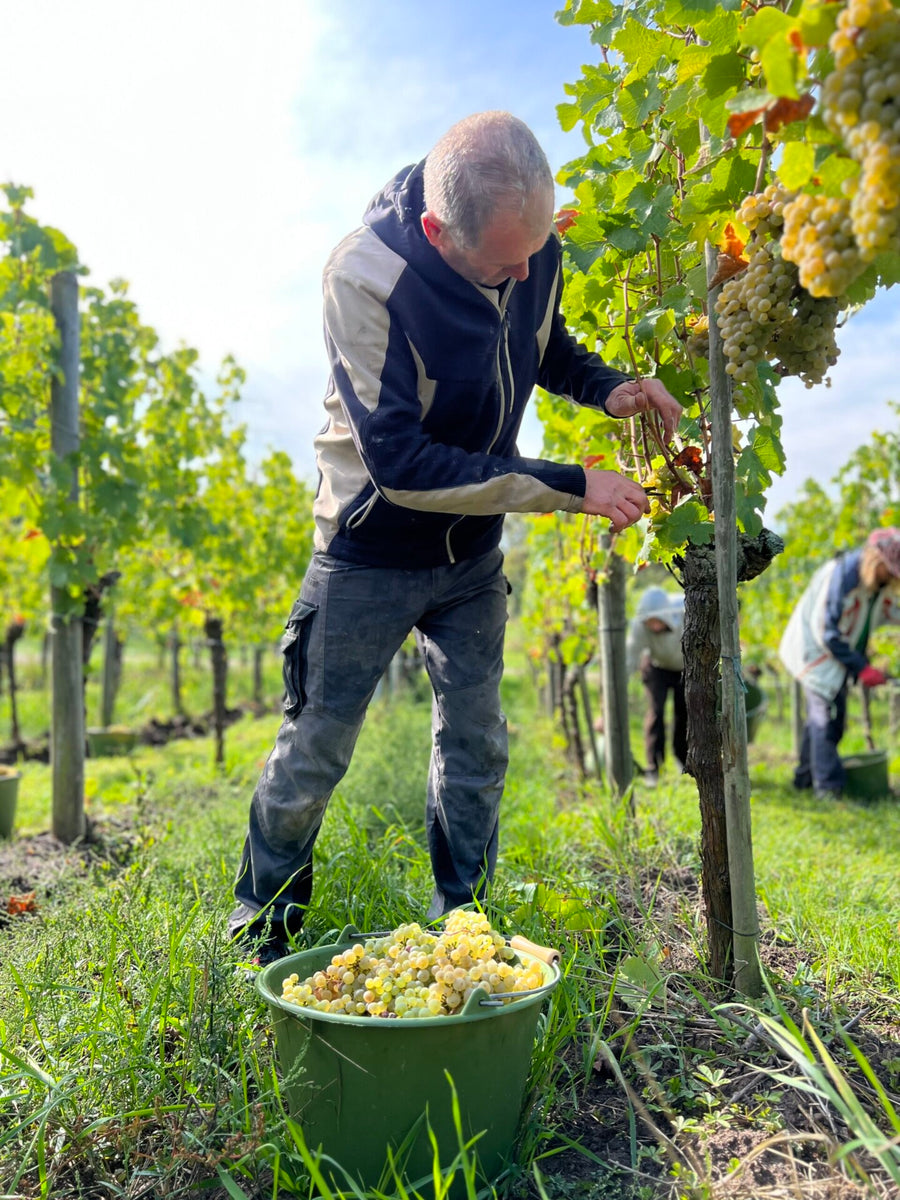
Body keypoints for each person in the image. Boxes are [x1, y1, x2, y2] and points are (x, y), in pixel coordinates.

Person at [228, 111, 682, 961]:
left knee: (476, 744)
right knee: (316, 746)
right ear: (439, 232)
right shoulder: (364, 277)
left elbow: (540, 344)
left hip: (469, 557)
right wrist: (570, 487)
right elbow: (401, 464)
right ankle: (263, 920)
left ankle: (464, 926)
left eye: (534, 254)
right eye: (505, 263)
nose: (526, 270)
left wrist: (607, 387)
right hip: (369, 549)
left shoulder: (528, 240)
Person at [778, 528, 900, 799]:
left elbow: (889, 611)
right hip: (815, 651)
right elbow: (827, 632)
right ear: (876, 560)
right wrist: (861, 667)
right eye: (890, 570)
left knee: (825, 718)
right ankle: (828, 790)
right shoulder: (842, 577)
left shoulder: (874, 584)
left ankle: (804, 779)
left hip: (835, 655)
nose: (892, 577)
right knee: (826, 719)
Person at [625, 586, 686, 784]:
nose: (653, 625)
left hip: (685, 668)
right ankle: (654, 768)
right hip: (656, 667)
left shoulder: (686, 614)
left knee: (683, 713)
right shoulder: (640, 625)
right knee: (656, 712)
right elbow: (630, 658)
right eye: (649, 621)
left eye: (656, 621)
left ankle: (682, 760)